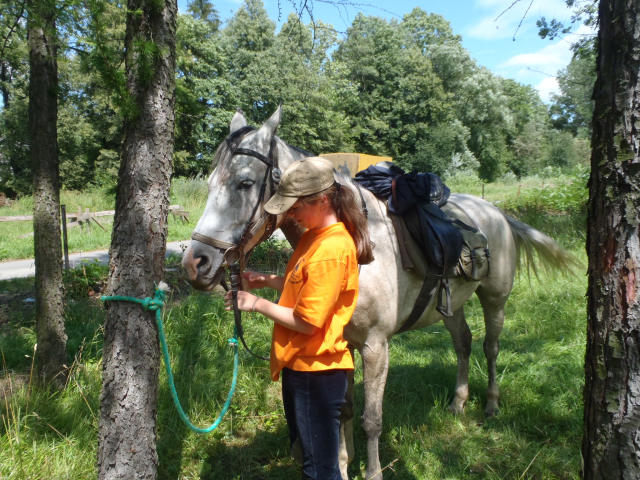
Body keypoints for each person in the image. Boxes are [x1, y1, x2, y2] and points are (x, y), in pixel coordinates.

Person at [224, 156, 373, 480]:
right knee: (313, 461)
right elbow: (307, 286)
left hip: (316, 373)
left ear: (322, 200)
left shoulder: (331, 249)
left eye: (295, 207)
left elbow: (308, 321)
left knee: (318, 470)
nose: (290, 214)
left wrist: (255, 303)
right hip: (302, 366)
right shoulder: (313, 237)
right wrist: (267, 281)